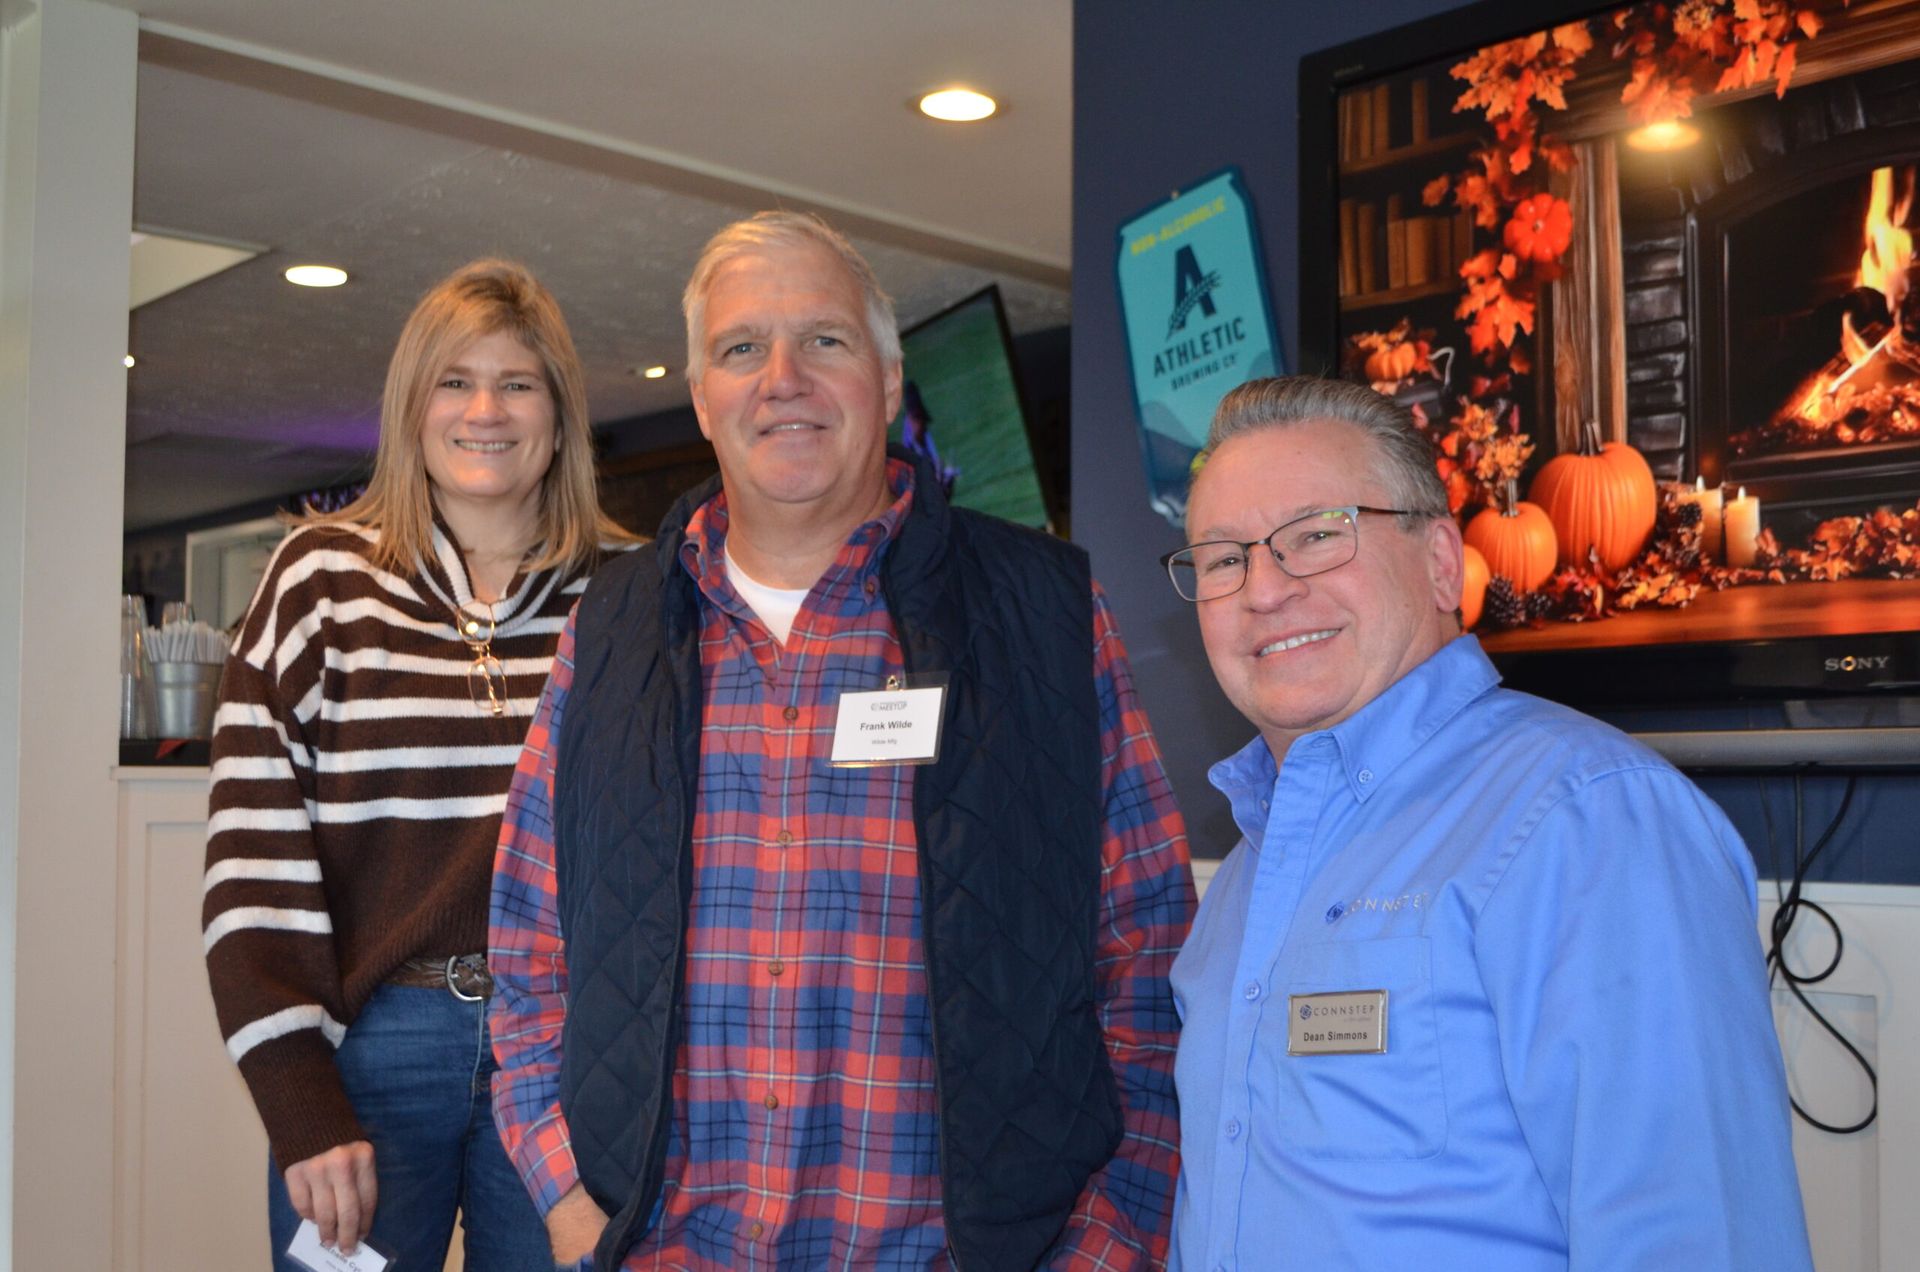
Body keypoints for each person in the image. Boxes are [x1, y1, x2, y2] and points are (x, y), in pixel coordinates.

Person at [489, 211, 1195, 1271]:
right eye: (741, 348)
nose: (782, 378)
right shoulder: (614, 629)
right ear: (701, 395)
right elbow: (530, 947)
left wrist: (1103, 1247)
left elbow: (1149, 962)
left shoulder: (1043, 612)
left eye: (824, 339)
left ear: (890, 376)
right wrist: (573, 1211)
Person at [1164, 376, 1812, 1270]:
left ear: (1440, 561)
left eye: (1316, 535)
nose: (1263, 589)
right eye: (1223, 558)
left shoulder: (1588, 820)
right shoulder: (1241, 882)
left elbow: (1702, 1243)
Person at [202, 258, 634, 1270]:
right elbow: (252, 867)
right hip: (369, 1048)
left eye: (518, 383)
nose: (486, 410)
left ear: (561, 417)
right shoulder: (318, 580)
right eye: (455, 381)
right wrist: (299, 1097)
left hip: (567, 1051)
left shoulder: (628, 594)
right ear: (411, 410)